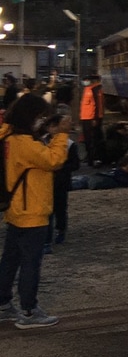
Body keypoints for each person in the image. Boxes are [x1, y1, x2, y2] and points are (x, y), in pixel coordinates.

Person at [0, 93, 71, 328]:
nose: (43, 120)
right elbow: (53, 160)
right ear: (31, 116)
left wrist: (45, 135)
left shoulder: (9, 136)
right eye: (41, 116)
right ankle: (29, 312)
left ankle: (3, 304)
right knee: (31, 262)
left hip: (16, 209)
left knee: (10, 260)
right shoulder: (25, 143)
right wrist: (61, 135)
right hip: (33, 211)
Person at [46, 109, 78, 250]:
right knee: (48, 211)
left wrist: (61, 167)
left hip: (61, 181)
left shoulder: (69, 144)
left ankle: (60, 229)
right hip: (46, 181)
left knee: (60, 208)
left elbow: (75, 164)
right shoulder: (42, 140)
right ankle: (47, 237)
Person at [79, 72, 105, 166]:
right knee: (88, 139)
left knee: (93, 139)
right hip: (86, 117)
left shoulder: (95, 89)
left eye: (87, 80)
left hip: (91, 118)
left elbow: (98, 105)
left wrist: (95, 119)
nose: (86, 81)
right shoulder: (88, 89)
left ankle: (94, 158)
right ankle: (89, 158)